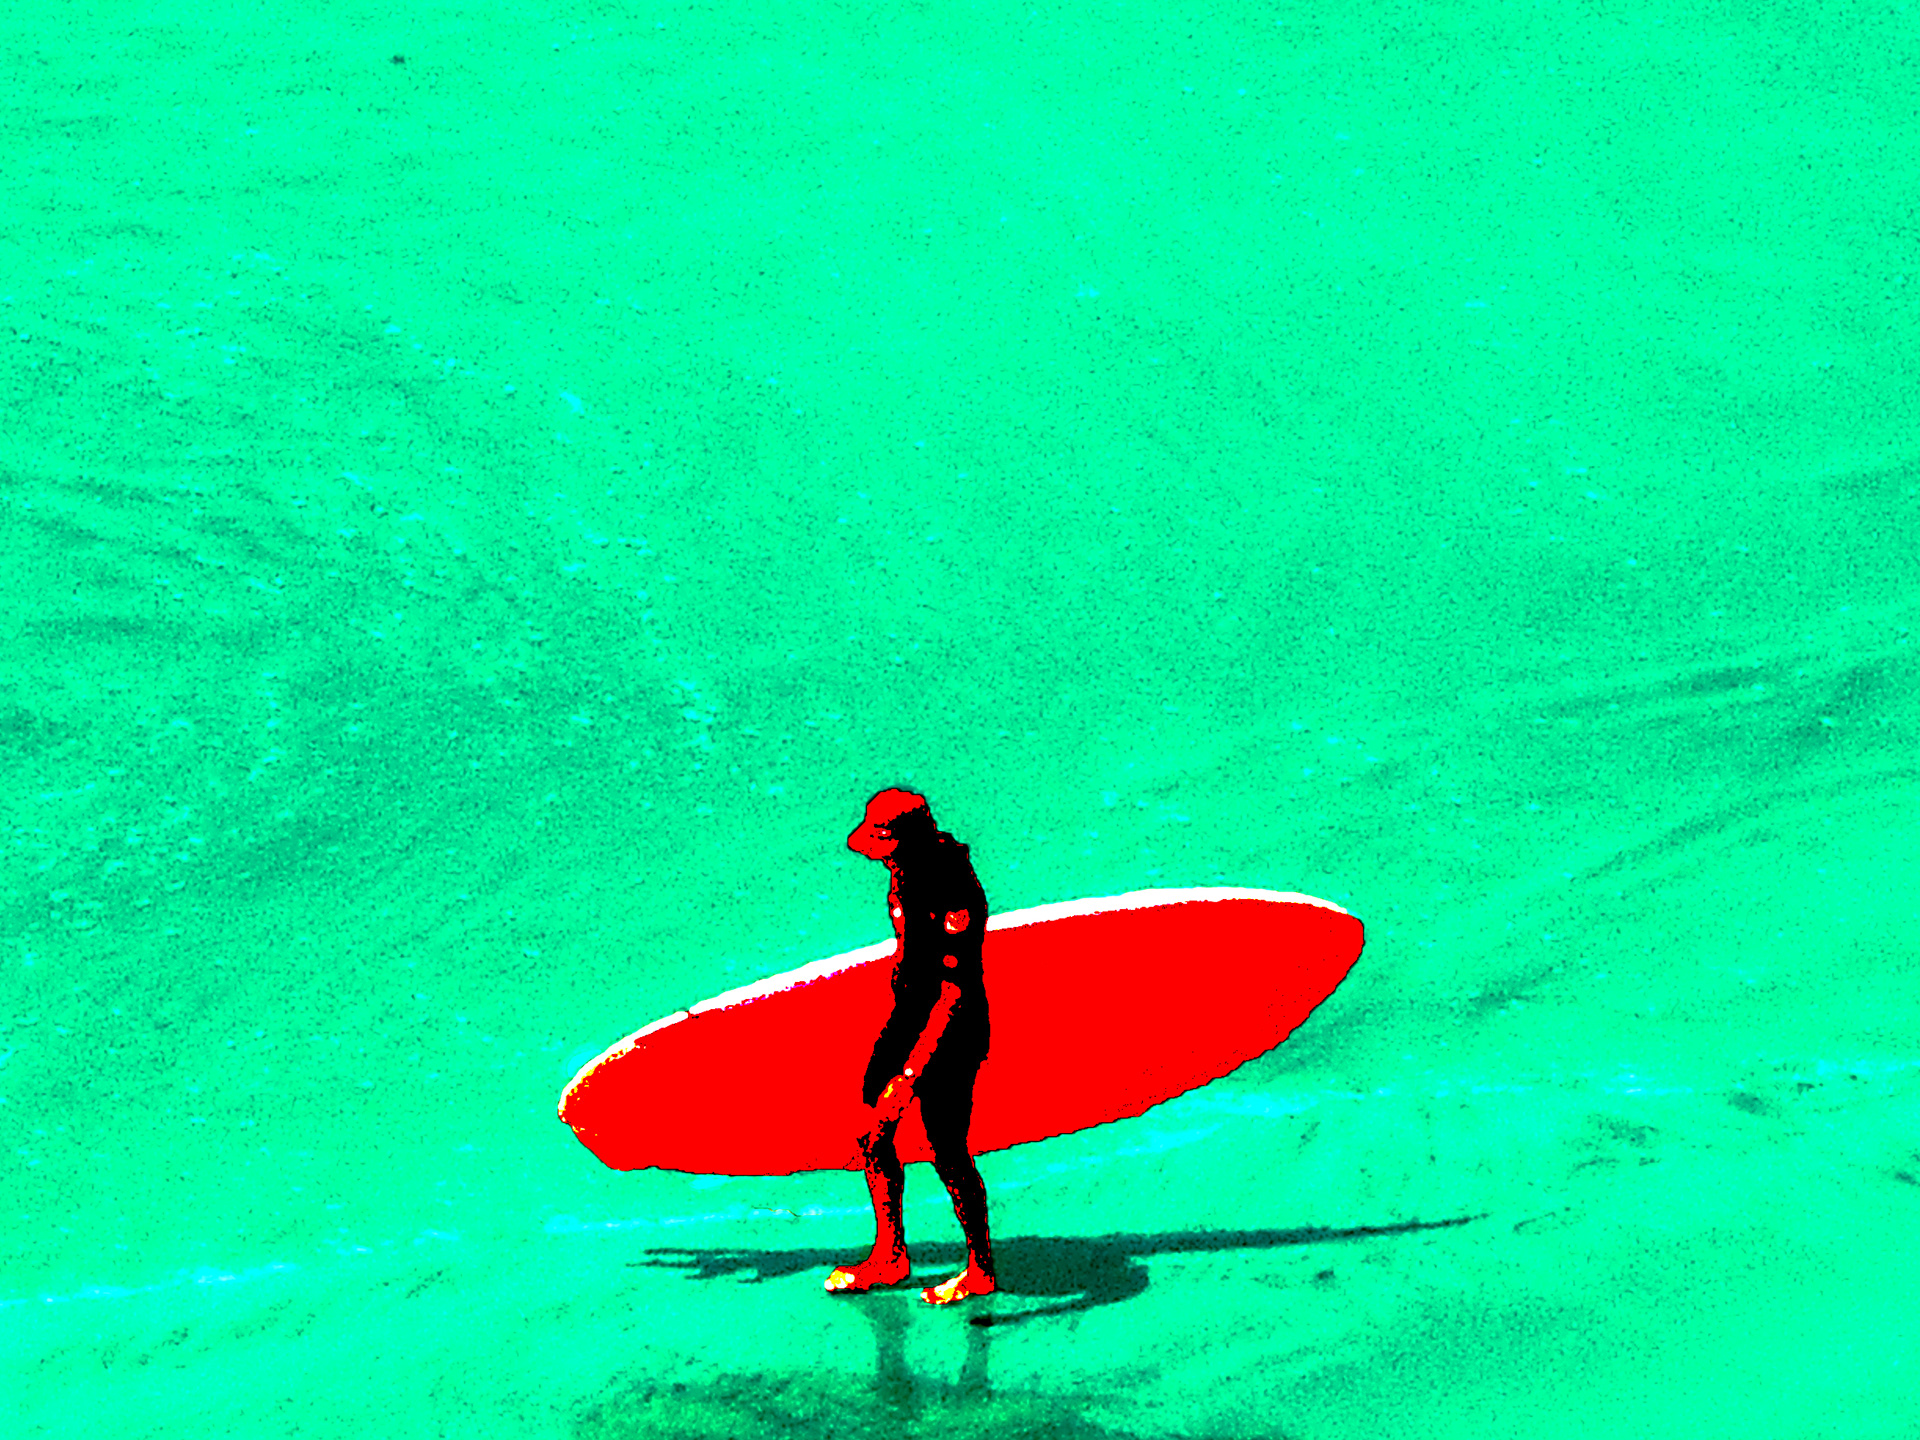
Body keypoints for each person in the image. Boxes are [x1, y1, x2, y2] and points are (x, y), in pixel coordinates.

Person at [826, 788, 996, 1305]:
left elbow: (953, 990)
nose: (882, 858)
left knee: (948, 1149)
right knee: (871, 1132)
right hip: (908, 1014)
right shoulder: (902, 872)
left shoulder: (955, 891)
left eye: (889, 847)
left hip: (954, 1026)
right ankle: (891, 1257)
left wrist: (909, 1075)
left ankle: (980, 1267)